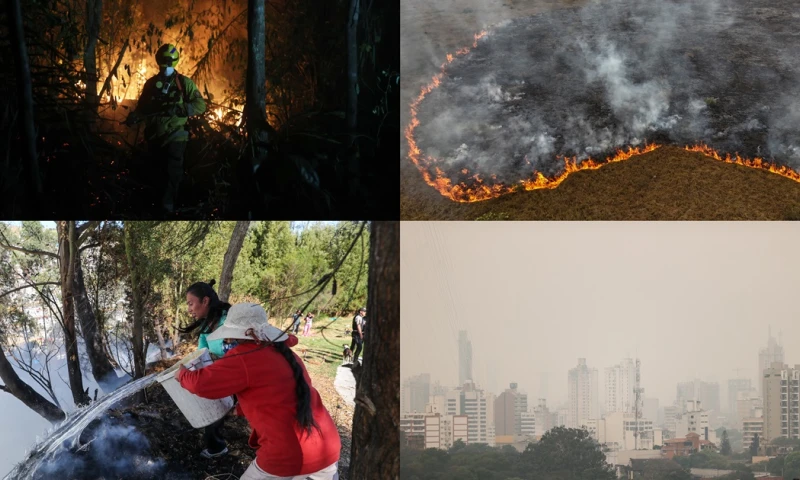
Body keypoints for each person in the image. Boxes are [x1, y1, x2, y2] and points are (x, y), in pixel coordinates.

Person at [176, 303, 341, 479]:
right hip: (327, 447)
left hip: (287, 453)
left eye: (229, 337)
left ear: (246, 334)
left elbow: (201, 384)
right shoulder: (286, 353)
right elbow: (278, 395)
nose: (228, 341)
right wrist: (238, 409)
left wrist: (182, 374)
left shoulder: (245, 356)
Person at [123, 43, 207, 213]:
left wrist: (180, 109)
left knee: (171, 173)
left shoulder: (184, 83)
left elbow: (200, 105)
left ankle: (168, 210)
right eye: (163, 63)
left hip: (176, 136)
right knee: (156, 174)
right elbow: (143, 108)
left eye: (167, 63)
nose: (165, 68)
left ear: (173, 62)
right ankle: (157, 208)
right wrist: (134, 117)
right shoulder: (151, 84)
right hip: (154, 137)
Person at [179, 280, 231, 459]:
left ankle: (218, 448)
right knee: (211, 409)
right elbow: (201, 353)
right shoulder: (206, 326)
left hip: (242, 376)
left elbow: (239, 353)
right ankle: (216, 446)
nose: (189, 309)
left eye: (191, 303)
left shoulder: (229, 321)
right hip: (222, 375)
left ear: (205, 301)